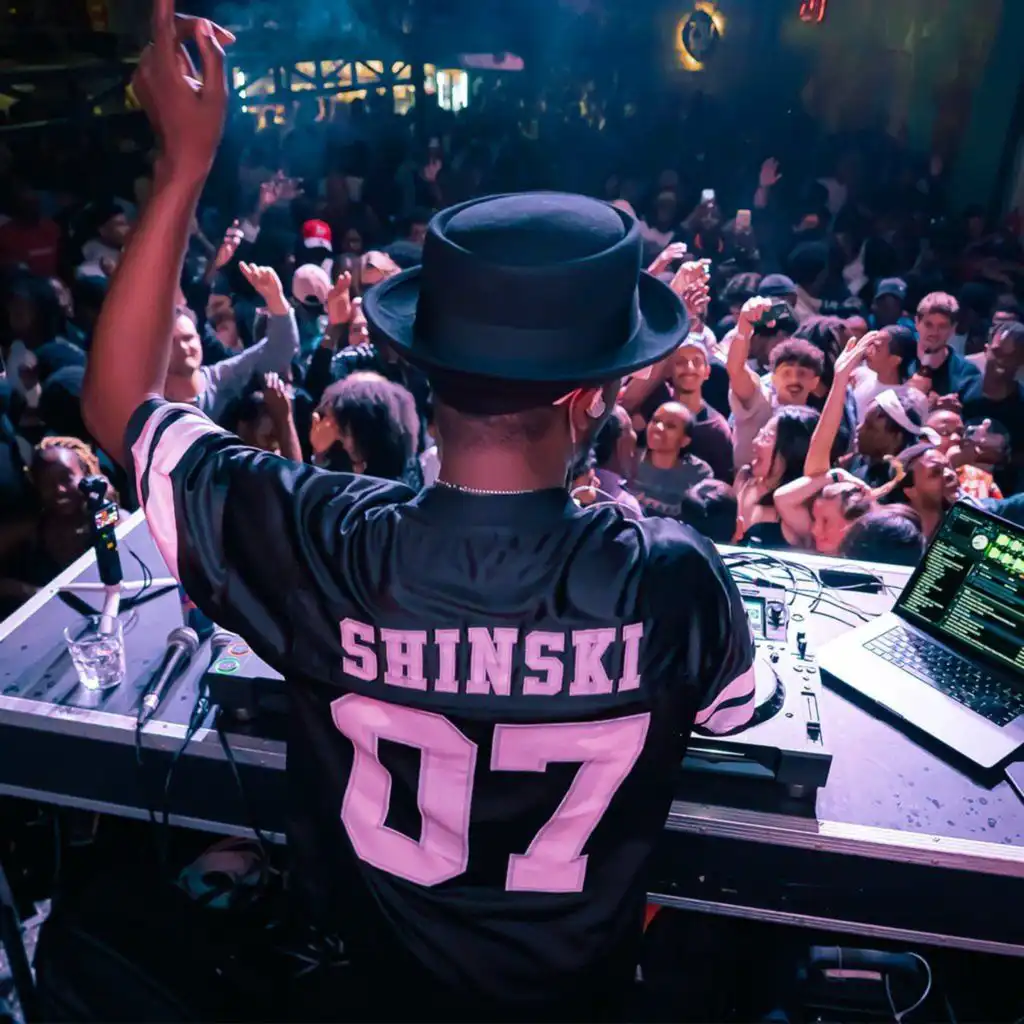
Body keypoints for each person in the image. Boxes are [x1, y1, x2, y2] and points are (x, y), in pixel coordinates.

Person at [80, 10, 755, 1018]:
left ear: (425, 367)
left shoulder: (321, 539)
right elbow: (735, 721)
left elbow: (115, 407)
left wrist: (183, 166)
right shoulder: (673, 577)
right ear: (588, 401)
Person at [627, 401, 714, 518]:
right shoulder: (629, 458)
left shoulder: (699, 474)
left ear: (684, 441)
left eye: (670, 426)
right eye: (655, 421)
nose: (658, 428)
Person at [907, 291, 981, 397]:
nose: (934, 332)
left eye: (942, 326)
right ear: (917, 322)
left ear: (953, 328)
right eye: (928, 324)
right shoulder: (901, 362)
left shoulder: (966, 374)